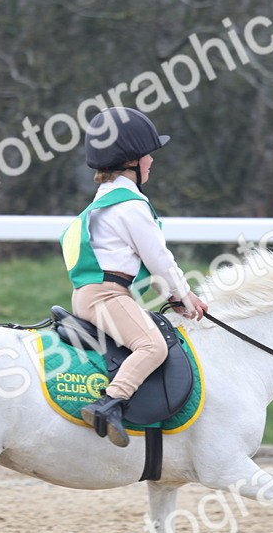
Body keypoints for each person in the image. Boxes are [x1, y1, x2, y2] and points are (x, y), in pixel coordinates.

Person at [60, 106, 209, 448]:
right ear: (132, 161)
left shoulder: (104, 202)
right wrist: (185, 295)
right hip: (108, 296)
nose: (152, 161)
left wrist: (173, 298)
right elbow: (159, 259)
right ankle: (109, 404)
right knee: (151, 345)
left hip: (92, 293)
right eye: (147, 155)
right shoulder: (131, 205)